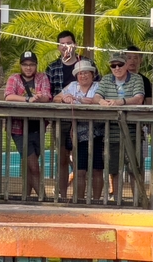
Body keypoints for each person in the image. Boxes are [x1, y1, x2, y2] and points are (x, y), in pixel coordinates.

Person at [46, 31, 97, 186]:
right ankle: (61, 195)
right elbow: (50, 94)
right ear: (58, 46)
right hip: (61, 118)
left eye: (69, 43)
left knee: (81, 159)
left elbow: (99, 90)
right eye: (62, 44)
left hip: (86, 120)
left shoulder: (88, 63)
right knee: (62, 157)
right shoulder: (52, 67)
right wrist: (63, 98)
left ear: (75, 44)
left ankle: (80, 195)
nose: (66, 46)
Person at [95, 51, 146, 201]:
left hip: (132, 132)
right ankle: (117, 200)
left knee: (134, 169)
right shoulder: (105, 79)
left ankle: (138, 200)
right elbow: (97, 96)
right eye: (113, 65)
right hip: (111, 132)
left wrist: (119, 102)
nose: (116, 68)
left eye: (120, 65)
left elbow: (139, 98)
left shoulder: (137, 79)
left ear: (126, 65)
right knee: (114, 169)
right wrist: (102, 102)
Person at [4, 50, 52, 198]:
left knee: (30, 166)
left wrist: (39, 98)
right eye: (25, 65)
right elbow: (8, 96)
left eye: (31, 64)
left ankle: (26, 197)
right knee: (33, 166)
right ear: (21, 66)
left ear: (36, 66)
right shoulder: (14, 78)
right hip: (18, 128)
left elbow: (47, 96)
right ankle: (43, 199)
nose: (28, 68)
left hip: (38, 127)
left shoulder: (42, 77)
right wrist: (27, 99)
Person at [53, 60, 102, 201]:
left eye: (86, 73)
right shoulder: (72, 86)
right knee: (79, 170)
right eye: (80, 73)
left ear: (92, 74)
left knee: (97, 170)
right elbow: (56, 98)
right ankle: (79, 201)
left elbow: (105, 100)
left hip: (98, 133)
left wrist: (94, 101)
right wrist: (64, 98)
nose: (83, 76)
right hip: (78, 135)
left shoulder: (99, 86)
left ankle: (97, 201)